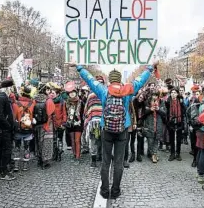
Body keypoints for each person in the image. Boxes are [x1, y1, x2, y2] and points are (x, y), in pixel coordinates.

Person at [69, 60, 157, 199]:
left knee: (105, 162)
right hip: (122, 129)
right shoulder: (128, 89)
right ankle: (115, 191)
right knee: (118, 162)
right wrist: (150, 67)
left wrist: (79, 67)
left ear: (110, 80)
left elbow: (90, 79)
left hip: (107, 129)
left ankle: (104, 191)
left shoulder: (103, 90)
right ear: (120, 79)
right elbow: (141, 79)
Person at [0, 79, 15, 181]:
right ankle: (3, 171)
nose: (12, 91)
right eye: (11, 88)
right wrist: (8, 125)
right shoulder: (0, 97)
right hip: (3, 130)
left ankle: (2, 169)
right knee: (5, 150)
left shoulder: (2, 97)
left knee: (3, 150)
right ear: (7, 88)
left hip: (3, 129)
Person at [12, 87, 37, 171]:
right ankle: (25, 165)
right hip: (28, 129)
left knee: (17, 147)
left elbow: (13, 118)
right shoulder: (32, 103)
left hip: (18, 129)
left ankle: (16, 165)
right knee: (27, 147)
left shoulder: (15, 104)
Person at [83, 75, 104, 168]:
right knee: (94, 140)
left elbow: (86, 109)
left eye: (101, 82)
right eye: (98, 82)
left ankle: (99, 157)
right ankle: (94, 160)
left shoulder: (104, 94)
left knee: (101, 140)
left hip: (102, 122)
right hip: (94, 122)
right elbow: (87, 108)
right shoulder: (92, 95)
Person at [142, 91, 166, 163]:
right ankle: (152, 154)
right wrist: (150, 110)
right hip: (149, 124)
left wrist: (159, 109)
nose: (155, 97)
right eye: (153, 95)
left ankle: (154, 154)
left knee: (156, 140)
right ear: (151, 95)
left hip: (158, 124)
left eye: (156, 95)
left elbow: (164, 113)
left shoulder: (161, 102)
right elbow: (143, 113)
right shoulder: (147, 102)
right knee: (150, 141)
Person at [63, 81, 84, 160]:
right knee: (72, 140)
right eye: (70, 93)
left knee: (77, 140)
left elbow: (83, 114)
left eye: (73, 92)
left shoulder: (81, 102)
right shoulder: (66, 103)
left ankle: (78, 156)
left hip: (78, 123)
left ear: (76, 93)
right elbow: (65, 113)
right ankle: (74, 153)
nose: (72, 94)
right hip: (70, 124)